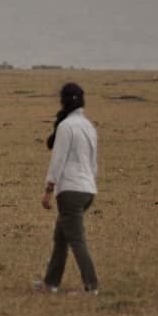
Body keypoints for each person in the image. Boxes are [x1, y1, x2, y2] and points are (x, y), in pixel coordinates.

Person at [33, 82, 100, 294]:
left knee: (76, 239)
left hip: (70, 190)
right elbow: (93, 162)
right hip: (88, 188)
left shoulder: (65, 127)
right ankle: (50, 283)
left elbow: (58, 160)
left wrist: (48, 190)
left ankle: (92, 286)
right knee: (61, 237)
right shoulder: (89, 126)